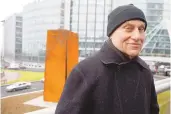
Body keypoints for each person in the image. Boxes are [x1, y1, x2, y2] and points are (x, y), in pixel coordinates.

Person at [55, 4, 159, 114]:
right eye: (129, 29)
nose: (137, 36)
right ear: (111, 33)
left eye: (141, 29)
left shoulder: (144, 71)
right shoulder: (85, 71)